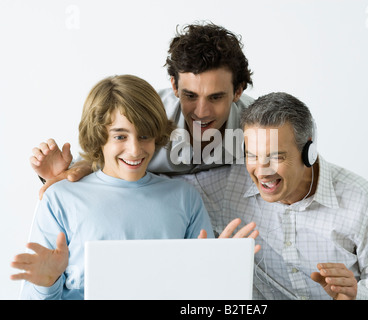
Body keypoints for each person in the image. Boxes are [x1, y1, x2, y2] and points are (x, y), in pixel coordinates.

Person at [10, 75, 258, 300]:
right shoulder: (59, 199)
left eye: (144, 136)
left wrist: (222, 275)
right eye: (120, 136)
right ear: (99, 136)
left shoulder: (184, 198)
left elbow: (202, 299)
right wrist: (48, 284)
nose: (135, 150)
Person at [179, 92, 368, 300]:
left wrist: (357, 296)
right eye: (252, 156)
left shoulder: (361, 200)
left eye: (276, 157)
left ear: (308, 152)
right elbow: (156, 184)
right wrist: (205, 265)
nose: (262, 172)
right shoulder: (227, 185)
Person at [31, 22, 254, 199]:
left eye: (216, 97)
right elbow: (93, 157)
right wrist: (67, 171)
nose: (202, 112)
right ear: (175, 86)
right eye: (190, 96)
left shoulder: (258, 124)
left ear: (237, 91)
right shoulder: (146, 113)